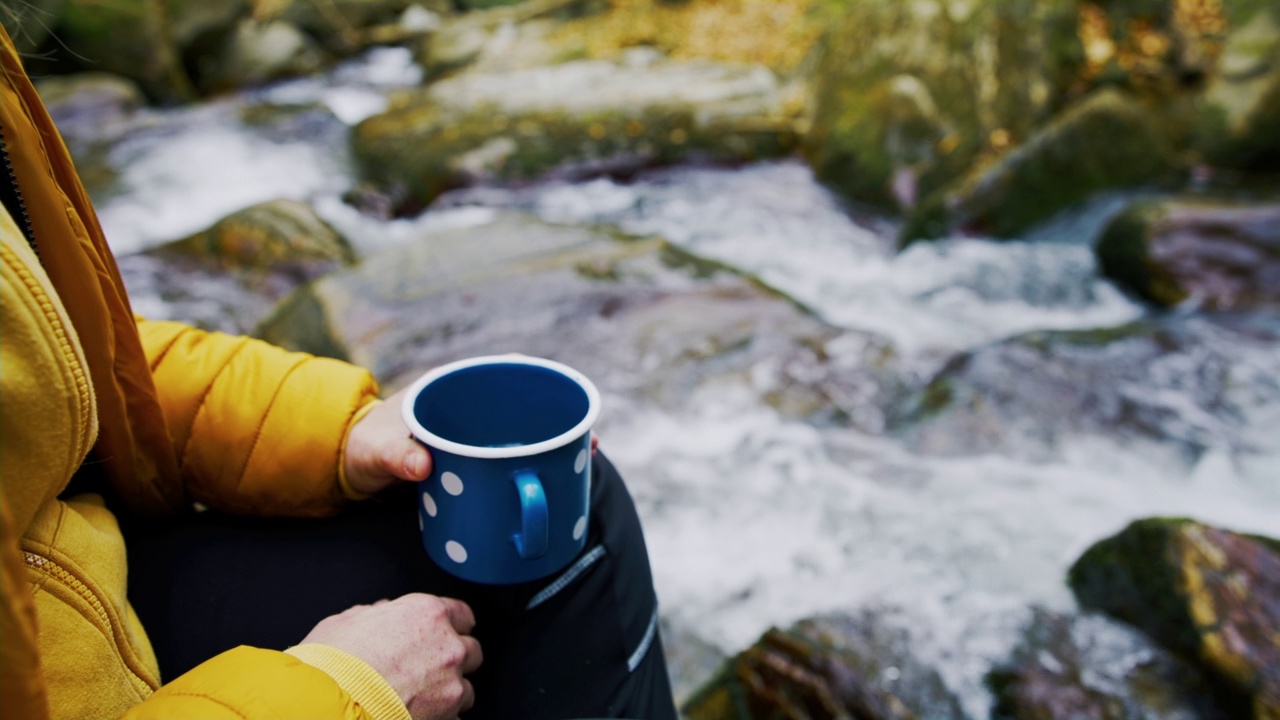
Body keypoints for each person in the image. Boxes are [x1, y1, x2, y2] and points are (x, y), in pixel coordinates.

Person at [0, 23, 676, 720]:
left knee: (572, 501)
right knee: (561, 531)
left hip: (80, 582)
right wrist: (346, 694)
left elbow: (67, 364)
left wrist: (335, 432)